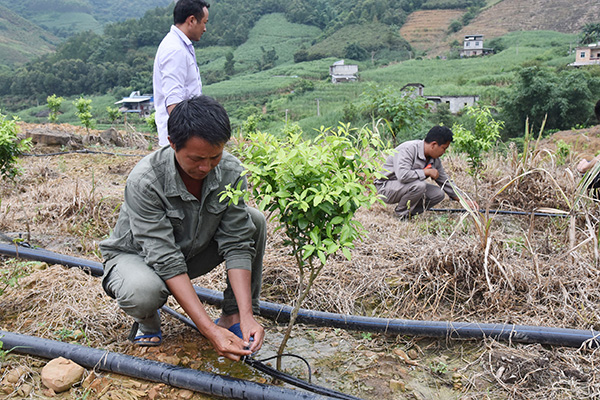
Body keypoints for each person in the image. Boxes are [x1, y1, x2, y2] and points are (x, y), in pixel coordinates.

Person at [100, 96, 266, 361]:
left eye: (215, 156)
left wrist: (247, 315)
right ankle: (147, 320)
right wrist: (208, 330)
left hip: (190, 251)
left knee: (253, 221)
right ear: (173, 143)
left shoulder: (231, 171)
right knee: (143, 291)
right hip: (138, 258)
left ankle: (232, 316)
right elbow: (165, 259)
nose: (206, 167)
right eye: (197, 158)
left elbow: (237, 242)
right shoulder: (146, 180)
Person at [153, 0, 209, 147]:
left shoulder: (179, 45)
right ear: (191, 20)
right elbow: (173, 101)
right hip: (181, 140)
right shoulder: (175, 50)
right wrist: (186, 141)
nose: (205, 28)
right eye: (204, 22)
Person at [375, 125, 462, 219]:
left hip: (406, 187)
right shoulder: (408, 149)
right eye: (444, 148)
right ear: (433, 145)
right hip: (386, 188)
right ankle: (400, 214)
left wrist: (462, 200)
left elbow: (445, 181)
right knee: (419, 185)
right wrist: (426, 172)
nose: (444, 152)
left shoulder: (434, 160)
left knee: (438, 194)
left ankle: (410, 213)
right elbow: (403, 176)